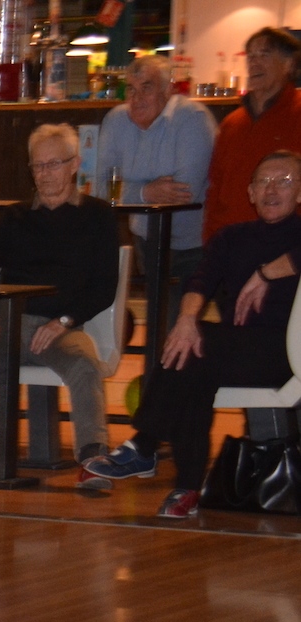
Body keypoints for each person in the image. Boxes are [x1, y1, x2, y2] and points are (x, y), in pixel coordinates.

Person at [83, 151, 301, 518]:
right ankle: (185, 487)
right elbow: (200, 279)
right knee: (192, 353)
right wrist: (185, 320)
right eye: (263, 181)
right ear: (250, 192)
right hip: (235, 349)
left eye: (284, 181)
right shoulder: (231, 237)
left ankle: (145, 445)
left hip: (287, 351)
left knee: (200, 347)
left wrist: (266, 274)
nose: (272, 189)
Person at [0, 124, 120, 483]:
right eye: (37, 166)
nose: (44, 174)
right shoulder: (16, 215)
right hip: (8, 319)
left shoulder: (98, 216)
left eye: (53, 164)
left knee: (85, 365)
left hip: (63, 324)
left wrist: (64, 321)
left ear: (74, 165)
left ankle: (92, 456)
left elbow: (104, 287)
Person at [96, 55, 215, 324]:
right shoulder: (116, 121)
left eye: (147, 88)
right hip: (147, 239)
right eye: (132, 90)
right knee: (158, 320)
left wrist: (128, 188)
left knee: (178, 321)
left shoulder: (192, 119)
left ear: (168, 89)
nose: (137, 98)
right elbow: (100, 187)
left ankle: (169, 366)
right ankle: (157, 367)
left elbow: (185, 193)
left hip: (193, 244)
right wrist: (145, 192)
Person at [202, 28, 301, 243]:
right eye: (251, 56)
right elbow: (216, 190)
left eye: (264, 55)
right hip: (229, 246)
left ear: (289, 64)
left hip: (285, 248)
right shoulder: (232, 123)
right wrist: (211, 241)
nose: (254, 63)